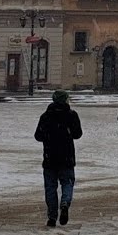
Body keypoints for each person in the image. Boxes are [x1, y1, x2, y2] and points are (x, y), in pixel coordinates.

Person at [35, 90, 83, 227]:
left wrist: (49, 136)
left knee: (50, 187)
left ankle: (52, 216)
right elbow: (77, 134)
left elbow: (38, 136)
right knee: (67, 183)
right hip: (67, 156)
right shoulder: (71, 115)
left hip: (50, 157)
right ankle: (65, 203)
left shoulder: (46, 116)